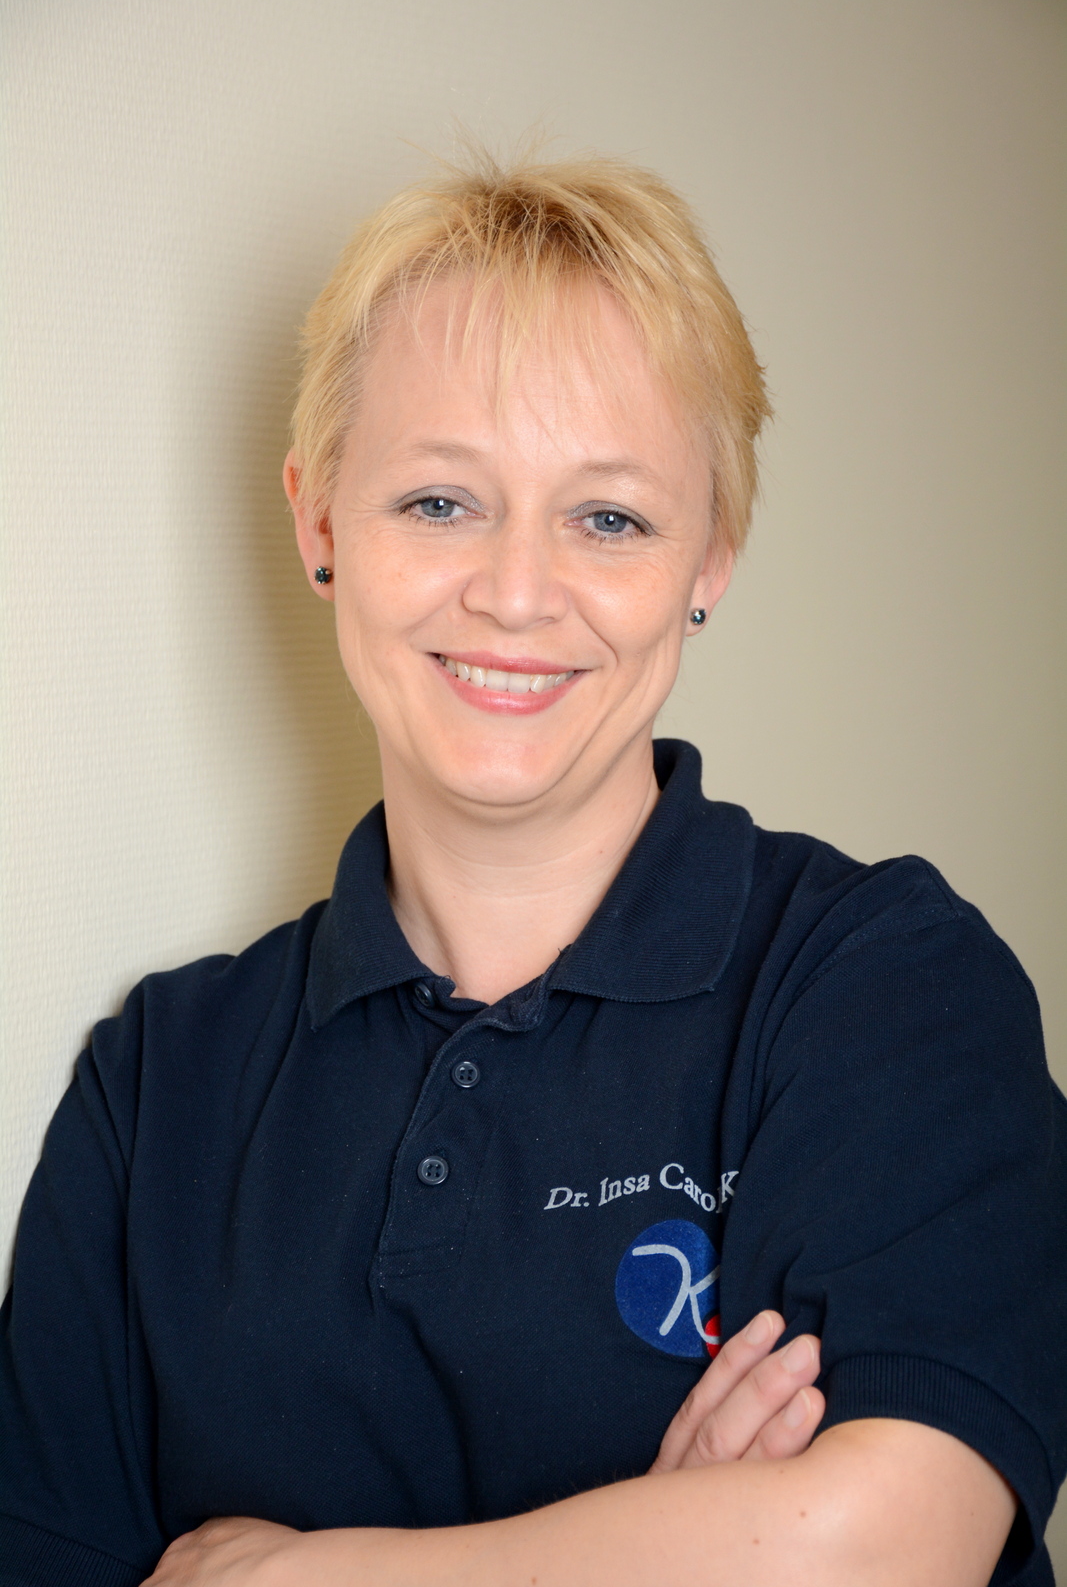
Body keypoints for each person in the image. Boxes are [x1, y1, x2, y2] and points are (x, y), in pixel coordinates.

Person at [1, 153, 1065, 1587]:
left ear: (711, 557)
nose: (514, 593)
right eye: (440, 501)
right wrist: (673, 1550)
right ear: (319, 523)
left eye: (608, 517)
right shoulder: (156, 1084)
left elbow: (888, 1544)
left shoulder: (883, 983)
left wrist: (287, 1577)